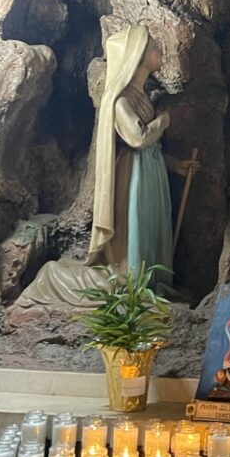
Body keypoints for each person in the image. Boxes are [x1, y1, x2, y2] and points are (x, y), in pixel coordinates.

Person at [19, 25, 192, 306]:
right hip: (133, 175)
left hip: (150, 171)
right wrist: (164, 120)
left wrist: (175, 165)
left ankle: (150, 285)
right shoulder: (120, 100)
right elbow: (137, 137)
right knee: (135, 238)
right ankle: (60, 278)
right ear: (137, 55)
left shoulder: (141, 95)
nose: (158, 50)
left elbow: (151, 145)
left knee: (151, 233)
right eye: (151, 46)